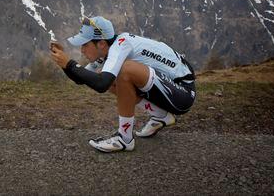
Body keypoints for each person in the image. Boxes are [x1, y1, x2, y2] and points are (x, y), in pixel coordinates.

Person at [50, 16, 196, 152]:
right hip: (173, 89)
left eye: (85, 45)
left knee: (124, 71)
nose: (82, 50)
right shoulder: (108, 48)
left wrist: (70, 64)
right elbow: (82, 79)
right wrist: (64, 64)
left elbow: (101, 85)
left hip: (183, 94)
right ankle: (161, 115)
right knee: (111, 78)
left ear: (101, 43)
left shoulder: (120, 46)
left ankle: (124, 139)